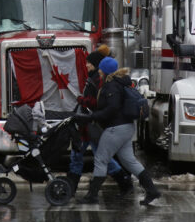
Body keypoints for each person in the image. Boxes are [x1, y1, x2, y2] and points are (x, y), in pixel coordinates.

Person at [76, 57, 161, 205]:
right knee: (129, 161)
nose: (99, 71)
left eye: (101, 68)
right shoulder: (121, 83)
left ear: (105, 70)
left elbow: (112, 108)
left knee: (101, 159)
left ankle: (92, 195)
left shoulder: (112, 86)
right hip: (127, 127)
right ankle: (152, 191)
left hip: (116, 128)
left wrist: (91, 117)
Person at [67, 50, 132, 196]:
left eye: (89, 62)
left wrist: (82, 100)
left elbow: (98, 101)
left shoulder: (98, 80)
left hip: (90, 124)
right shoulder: (94, 78)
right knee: (88, 156)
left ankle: (76, 189)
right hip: (89, 123)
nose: (87, 65)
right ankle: (123, 181)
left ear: (97, 65)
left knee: (87, 156)